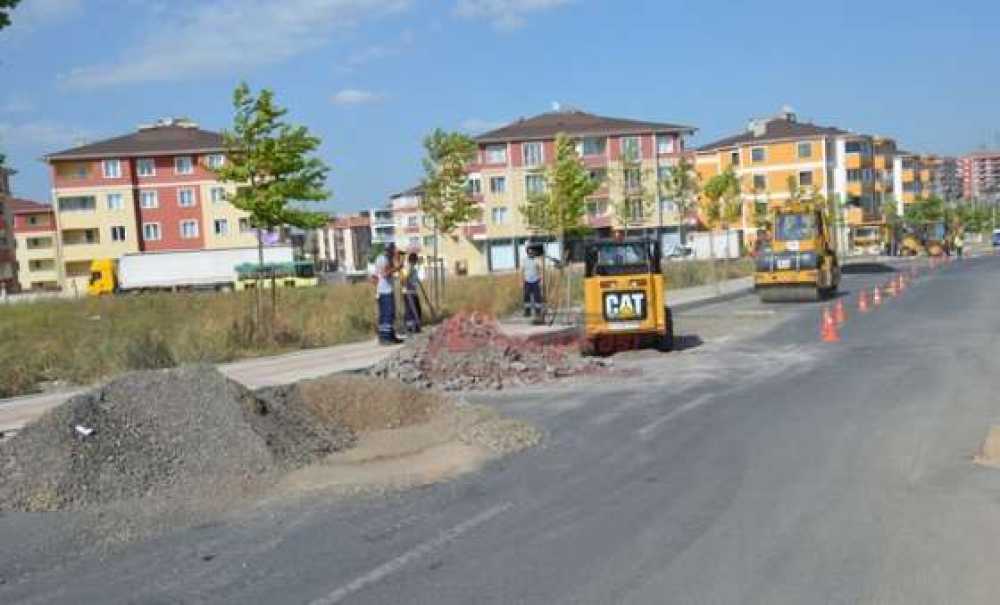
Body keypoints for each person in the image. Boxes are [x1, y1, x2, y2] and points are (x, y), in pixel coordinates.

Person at [373, 243, 403, 344]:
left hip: (382, 290)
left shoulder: (381, 258)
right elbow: (385, 273)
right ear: (390, 250)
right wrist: (398, 267)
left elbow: (375, 276)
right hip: (385, 291)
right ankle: (385, 338)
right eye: (394, 251)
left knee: (387, 314)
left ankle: (389, 335)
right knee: (388, 314)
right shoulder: (384, 259)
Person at [402, 252, 423, 334]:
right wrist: (409, 284)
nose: (417, 261)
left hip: (413, 291)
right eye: (416, 260)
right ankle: (410, 327)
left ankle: (415, 326)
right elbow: (404, 278)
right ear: (413, 260)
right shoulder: (409, 267)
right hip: (409, 292)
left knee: (416, 309)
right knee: (411, 310)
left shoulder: (413, 268)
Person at [522, 245, 544, 320]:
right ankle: (527, 311)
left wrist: (541, 280)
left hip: (535, 281)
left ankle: (538, 311)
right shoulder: (524, 260)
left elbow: (541, 270)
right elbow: (521, 271)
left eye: (532, 252)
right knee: (526, 296)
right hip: (527, 281)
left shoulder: (536, 260)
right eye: (529, 252)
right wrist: (521, 281)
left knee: (537, 296)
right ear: (527, 253)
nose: (531, 253)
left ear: (534, 253)